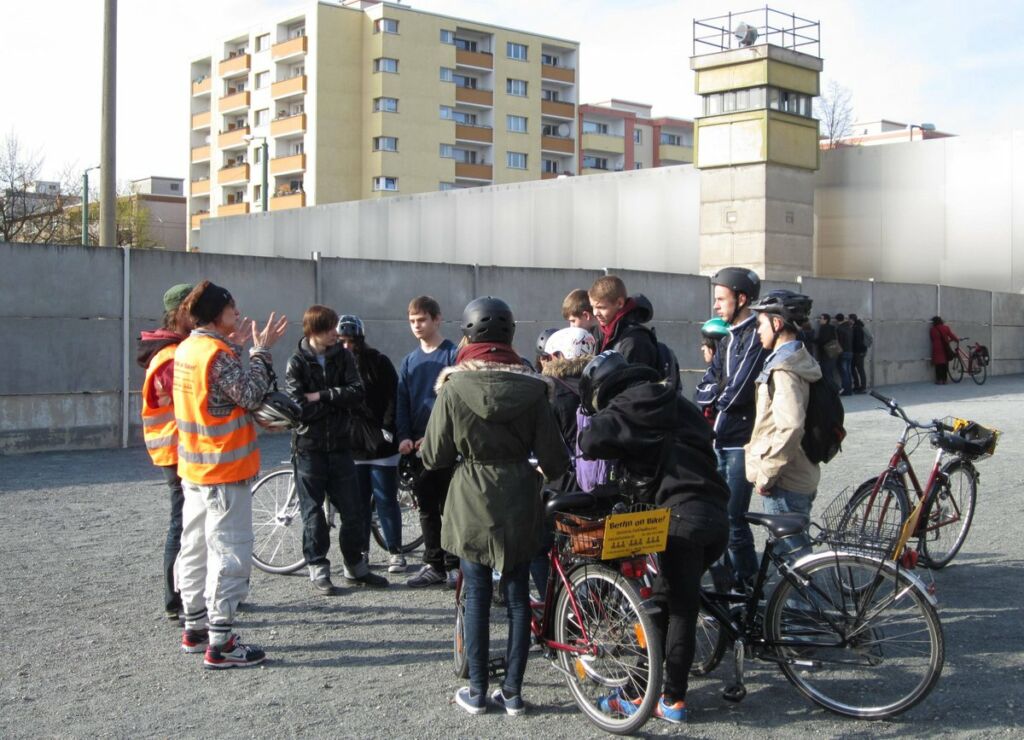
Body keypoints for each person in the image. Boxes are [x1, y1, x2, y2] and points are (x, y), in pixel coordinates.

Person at [422, 296, 570, 716]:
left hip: (471, 496)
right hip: (521, 496)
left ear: (468, 335)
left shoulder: (452, 388)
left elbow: (433, 456)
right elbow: (556, 460)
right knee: (520, 597)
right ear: (510, 336)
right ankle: (514, 694)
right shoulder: (534, 388)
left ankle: (477, 691)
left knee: (477, 596)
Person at [578, 351, 729, 724]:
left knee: (676, 608)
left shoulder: (629, 404)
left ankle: (670, 699)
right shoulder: (675, 400)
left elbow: (590, 441)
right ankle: (644, 690)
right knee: (667, 600)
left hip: (680, 517)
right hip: (715, 512)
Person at [173, 280, 287, 669]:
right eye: (231, 308)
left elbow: (218, 396)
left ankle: (195, 627)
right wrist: (260, 351)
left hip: (195, 467)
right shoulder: (214, 354)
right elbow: (250, 394)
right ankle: (220, 642)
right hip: (224, 468)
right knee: (230, 550)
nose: (237, 313)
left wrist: (237, 348)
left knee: (195, 548)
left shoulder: (188, 348)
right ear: (215, 312)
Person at [285, 305, 387, 593]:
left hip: (342, 446)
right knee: (313, 513)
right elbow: (299, 408)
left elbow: (357, 394)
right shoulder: (297, 362)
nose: (337, 333)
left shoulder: (343, 357)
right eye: (330, 328)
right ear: (314, 330)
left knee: (353, 512)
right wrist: (333, 404)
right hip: (309, 448)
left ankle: (355, 567)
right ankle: (318, 568)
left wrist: (322, 396)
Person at [693, 267, 766, 591]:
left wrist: (716, 394)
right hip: (720, 439)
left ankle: (747, 583)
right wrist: (715, 392)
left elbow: (737, 393)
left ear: (742, 298)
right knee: (720, 516)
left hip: (742, 442)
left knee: (734, 518)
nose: (716, 306)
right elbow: (706, 386)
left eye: (721, 299)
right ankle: (733, 582)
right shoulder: (730, 337)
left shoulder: (754, 336)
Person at [745, 291, 823, 548]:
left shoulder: (784, 369)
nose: (757, 331)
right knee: (797, 563)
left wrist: (767, 474)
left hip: (785, 480)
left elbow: (790, 426)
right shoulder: (800, 358)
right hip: (801, 471)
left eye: (760, 324)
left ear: (776, 324)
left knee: (796, 562)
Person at [137, 282, 193, 622]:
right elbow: (193, 399)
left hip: (178, 447)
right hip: (177, 449)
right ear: (180, 313)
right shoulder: (171, 355)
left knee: (187, 522)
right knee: (183, 523)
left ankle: (188, 595)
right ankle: (175, 597)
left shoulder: (173, 349)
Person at [396, 295, 459, 587]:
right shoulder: (409, 361)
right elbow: (403, 402)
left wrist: (433, 436)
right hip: (418, 450)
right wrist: (405, 437)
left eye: (421, 320)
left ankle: (456, 564)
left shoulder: (452, 355)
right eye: (412, 321)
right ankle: (434, 564)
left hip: (446, 446)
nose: (417, 326)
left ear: (437, 319)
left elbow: (456, 402)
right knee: (426, 507)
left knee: (452, 507)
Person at [336, 314, 406, 574]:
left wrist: (388, 427)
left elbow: (392, 396)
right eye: (341, 340)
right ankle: (361, 551)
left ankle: (395, 551)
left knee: (386, 498)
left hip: (380, 442)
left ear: (359, 339)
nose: (346, 345)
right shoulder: (333, 366)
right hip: (351, 443)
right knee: (358, 502)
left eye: (350, 340)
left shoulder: (378, 361)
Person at [587, 275, 658, 369]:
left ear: (619, 303)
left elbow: (635, 381)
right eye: (593, 307)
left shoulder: (634, 340)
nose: (595, 313)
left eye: (601, 307)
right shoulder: (598, 333)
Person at [929, 316, 960, 384]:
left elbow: (932, 339)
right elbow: (951, 335)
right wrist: (957, 340)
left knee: (938, 365)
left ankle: (939, 380)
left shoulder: (932, 330)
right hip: (944, 347)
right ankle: (945, 380)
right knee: (944, 364)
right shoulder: (946, 328)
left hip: (936, 348)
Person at [814, 313, 839, 390]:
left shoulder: (824, 328)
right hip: (833, 352)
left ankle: (836, 388)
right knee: (829, 371)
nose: (820, 320)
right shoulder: (832, 327)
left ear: (826, 320)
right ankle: (833, 388)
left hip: (826, 353)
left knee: (826, 372)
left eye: (821, 318)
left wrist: (813, 340)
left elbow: (823, 340)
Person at [834, 313, 854, 396]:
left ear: (836, 320)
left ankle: (845, 390)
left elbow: (838, 342)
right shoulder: (849, 327)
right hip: (850, 351)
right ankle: (849, 389)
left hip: (843, 352)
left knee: (844, 372)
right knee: (848, 372)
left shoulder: (839, 329)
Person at [850, 313, 869, 393]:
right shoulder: (860, 326)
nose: (848, 321)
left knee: (859, 369)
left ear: (852, 320)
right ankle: (859, 386)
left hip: (858, 352)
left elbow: (857, 341)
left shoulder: (857, 328)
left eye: (849, 319)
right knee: (856, 369)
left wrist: (858, 351)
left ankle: (862, 387)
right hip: (860, 351)